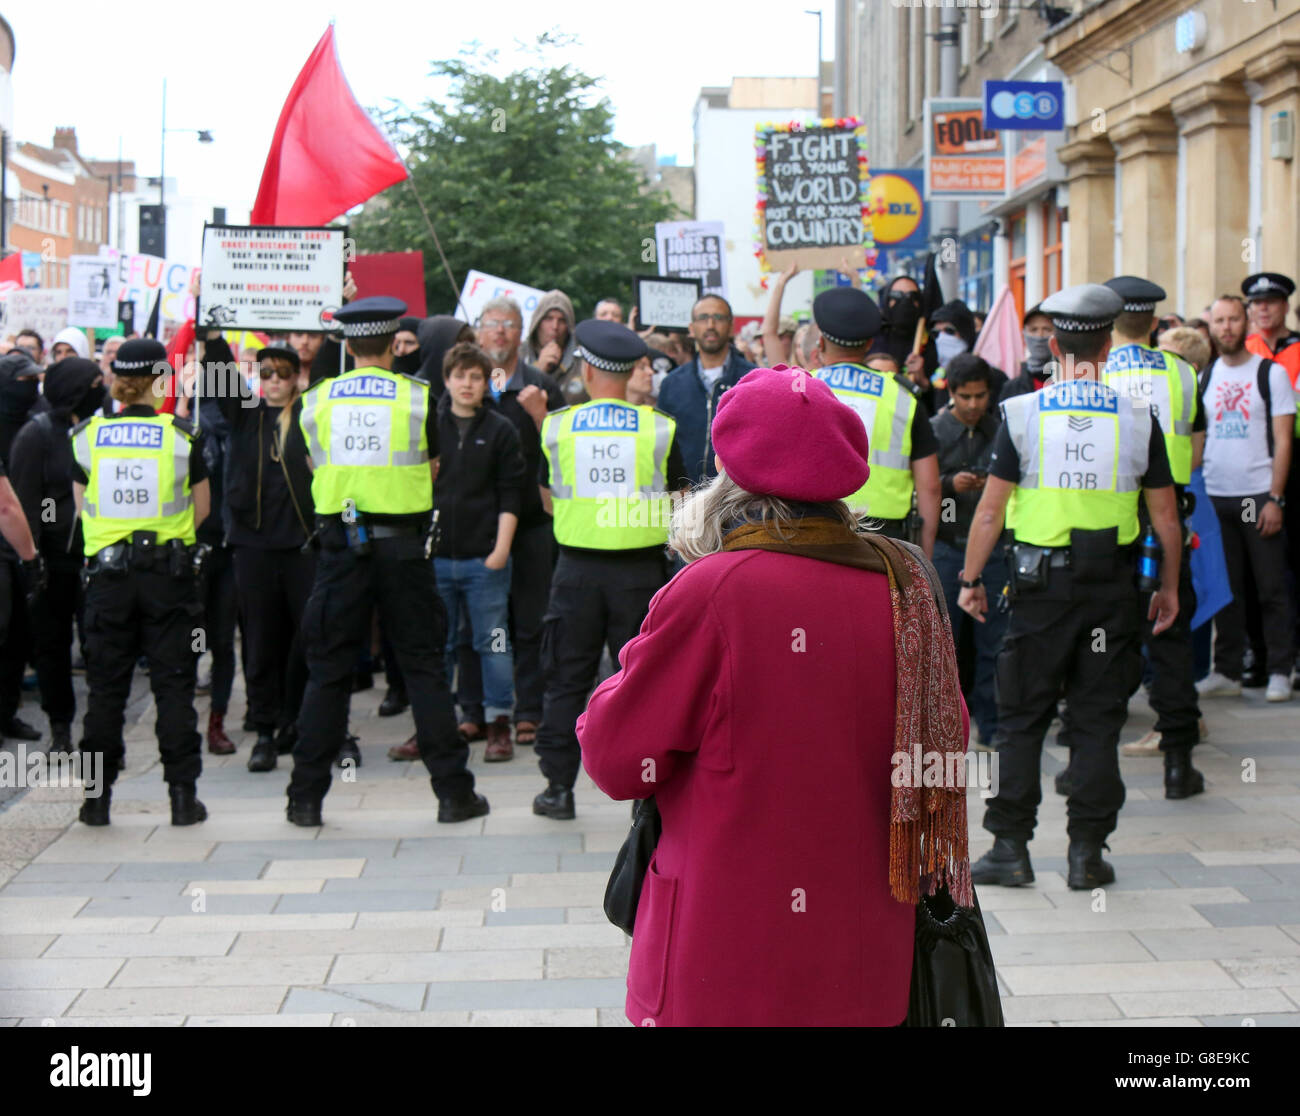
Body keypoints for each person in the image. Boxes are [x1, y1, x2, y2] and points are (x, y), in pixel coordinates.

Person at [578, 364, 970, 1026]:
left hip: (724, 946)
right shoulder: (904, 582)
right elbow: (947, 747)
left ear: (728, 476)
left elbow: (617, 760)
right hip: (865, 944)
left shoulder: (710, 590)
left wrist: (622, 676)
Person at [959, 284, 1184, 890]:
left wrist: (972, 579)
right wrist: (1169, 587)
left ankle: (1010, 846)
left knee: (1022, 717)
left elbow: (989, 512)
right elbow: (1166, 517)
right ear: (1108, 345)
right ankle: (1087, 853)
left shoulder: (1024, 413)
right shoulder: (1139, 420)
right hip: (1113, 591)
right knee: (1096, 718)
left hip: (1039, 592)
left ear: (1053, 345)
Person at [290, 296, 488, 826]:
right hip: (404, 547)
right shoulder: (418, 398)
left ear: (347, 343)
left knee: (328, 671)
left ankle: (305, 799)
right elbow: (435, 468)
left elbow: (312, 463)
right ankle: (453, 795)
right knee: (423, 666)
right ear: (396, 343)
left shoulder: (316, 400)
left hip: (339, 545)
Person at [533, 320, 689, 819]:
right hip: (640, 576)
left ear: (585, 367)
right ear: (630, 372)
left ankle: (557, 788)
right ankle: (645, 793)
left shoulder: (557, 426)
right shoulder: (659, 427)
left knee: (565, 679)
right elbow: (682, 503)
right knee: (639, 683)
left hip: (575, 571)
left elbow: (548, 499)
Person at [69, 338, 212, 827]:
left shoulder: (87, 436)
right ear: (159, 381)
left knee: (105, 690)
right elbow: (203, 509)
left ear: (117, 379)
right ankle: (182, 798)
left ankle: (95, 801)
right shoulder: (183, 436)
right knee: (174, 686)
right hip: (168, 580)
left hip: (108, 580)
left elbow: (81, 505)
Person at [1102, 276, 1207, 780]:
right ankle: (1178, 744)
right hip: (1170, 514)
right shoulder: (1184, 373)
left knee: (1109, 625)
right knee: (1170, 624)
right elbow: (1198, 444)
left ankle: (1097, 730)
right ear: (1153, 320)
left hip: (1118, 515)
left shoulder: (1098, 375)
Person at [203, 340, 316, 772]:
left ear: (296, 378)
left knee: (305, 637)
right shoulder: (244, 416)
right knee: (261, 641)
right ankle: (265, 730)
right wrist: (212, 333)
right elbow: (219, 376)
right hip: (253, 545)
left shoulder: (310, 416)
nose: (273, 381)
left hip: (302, 544)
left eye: (283, 373)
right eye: (265, 372)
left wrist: (335, 304)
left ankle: (296, 720)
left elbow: (331, 364)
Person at [1195, 295, 1295, 702]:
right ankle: (1228, 670)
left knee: (1271, 586)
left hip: (1257, 493)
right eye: (1219, 320)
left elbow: (1284, 439)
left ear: (1247, 321)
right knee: (1226, 588)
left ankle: (1280, 670)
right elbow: (1198, 439)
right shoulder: (1206, 374)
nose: (1227, 327)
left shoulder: (1270, 374)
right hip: (1216, 494)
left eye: (1234, 319)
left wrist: (1275, 496)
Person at [430, 341, 526, 761]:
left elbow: (511, 494)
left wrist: (500, 550)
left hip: (485, 556)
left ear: (487, 382)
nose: (467, 384)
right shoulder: (429, 426)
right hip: (436, 557)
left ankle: (498, 721)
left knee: (494, 641)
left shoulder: (500, 428)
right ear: (446, 380)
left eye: (475, 376)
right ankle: (445, 720)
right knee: (443, 644)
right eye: (459, 376)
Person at [7, 358, 105, 753]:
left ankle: (99, 730)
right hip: (54, 562)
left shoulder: (100, 431)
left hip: (97, 559)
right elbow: (29, 501)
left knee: (100, 647)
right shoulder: (39, 435)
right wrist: (34, 558)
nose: (103, 388)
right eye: (96, 383)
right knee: (53, 648)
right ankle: (60, 727)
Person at [811, 287, 941, 557]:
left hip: (811, 533)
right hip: (886, 543)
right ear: (870, 344)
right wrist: (924, 559)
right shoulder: (903, 396)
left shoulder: (798, 387)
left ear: (821, 343)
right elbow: (930, 487)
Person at [930, 353, 1007, 748]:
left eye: (980, 396)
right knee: (946, 647)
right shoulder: (933, 431)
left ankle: (992, 728)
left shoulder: (1001, 430)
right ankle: (946, 731)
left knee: (993, 644)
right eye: (965, 396)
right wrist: (947, 484)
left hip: (994, 555)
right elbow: (914, 489)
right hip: (946, 550)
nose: (974, 404)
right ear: (951, 393)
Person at [656, 295, 756, 486]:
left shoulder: (753, 380)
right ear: (692, 329)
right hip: (686, 499)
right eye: (703, 318)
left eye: (718, 318)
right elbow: (664, 446)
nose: (710, 325)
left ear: (730, 326)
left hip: (736, 500)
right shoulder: (672, 383)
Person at [521, 291, 582, 404]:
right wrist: (538, 371)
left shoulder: (582, 362)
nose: (555, 327)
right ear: (537, 322)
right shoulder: (518, 355)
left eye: (562, 320)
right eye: (548, 319)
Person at [999, 304, 1055, 402]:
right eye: (1034, 330)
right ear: (1024, 335)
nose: (1040, 336)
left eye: (1047, 329)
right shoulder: (1011, 389)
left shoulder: (1069, 383)